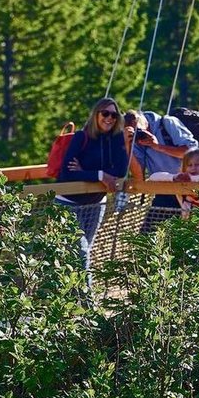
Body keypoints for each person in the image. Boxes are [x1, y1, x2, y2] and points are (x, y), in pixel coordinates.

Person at [56, 97, 141, 285]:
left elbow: (119, 172)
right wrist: (100, 175)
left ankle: (72, 299)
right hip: (68, 204)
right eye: (105, 113)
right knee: (80, 253)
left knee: (81, 254)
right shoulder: (82, 137)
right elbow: (67, 174)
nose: (109, 118)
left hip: (96, 204)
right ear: (96, 115)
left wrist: (83, 171)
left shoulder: (117, 140)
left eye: (113, 114)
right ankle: (88, 305)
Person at [123, 108, 199, 229]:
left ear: (143, 119)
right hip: (165, 191)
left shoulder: (168, 123)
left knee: (193, 236)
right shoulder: (136, 141)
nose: (140, 133)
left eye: (139, 128)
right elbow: (139, 178)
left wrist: (157, 146)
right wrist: (128, 145)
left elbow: (192, 152)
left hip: (190, 190)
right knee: (148, 238)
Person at [149, 147, 199, 218]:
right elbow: (153, 177)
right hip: (187, 224)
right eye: (189, 165)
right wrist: (174, 178)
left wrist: (191, 179)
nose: (193, 168)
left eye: (197, 165)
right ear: (184, 167)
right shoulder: (180, 180)